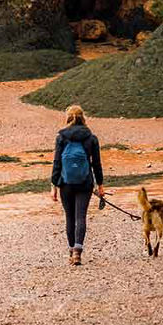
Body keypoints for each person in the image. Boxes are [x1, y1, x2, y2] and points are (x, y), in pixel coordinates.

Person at [50, 103, 104, 266]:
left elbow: (57, 162)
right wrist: (100, 185)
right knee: (81, 216)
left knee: (69, 217)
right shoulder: (91, 138)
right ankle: (77, 253)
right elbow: (96, 164)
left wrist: (54, 185)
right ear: (83, 118)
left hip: (65, 183)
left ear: (68, 118)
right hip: (85, 182)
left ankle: (71, 250)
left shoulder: (61, 138)